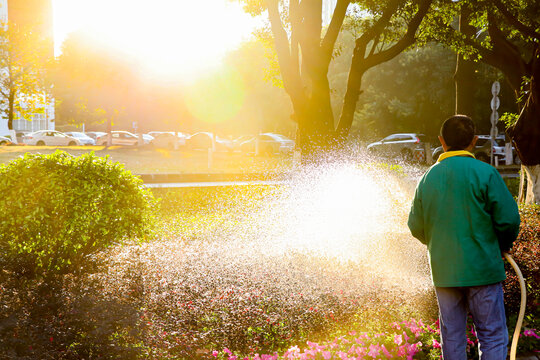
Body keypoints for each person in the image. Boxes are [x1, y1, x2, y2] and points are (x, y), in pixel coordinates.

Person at [407, 115, 521, 360]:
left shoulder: (427, 178)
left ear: (441, 141)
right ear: (474, 141)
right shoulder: (486, 173)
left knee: (452, 337)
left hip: (445, 271)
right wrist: (500, 245)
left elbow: (415, 225)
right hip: (484, 269)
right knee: (491, 336)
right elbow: (509, 220)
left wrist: (440, 243)